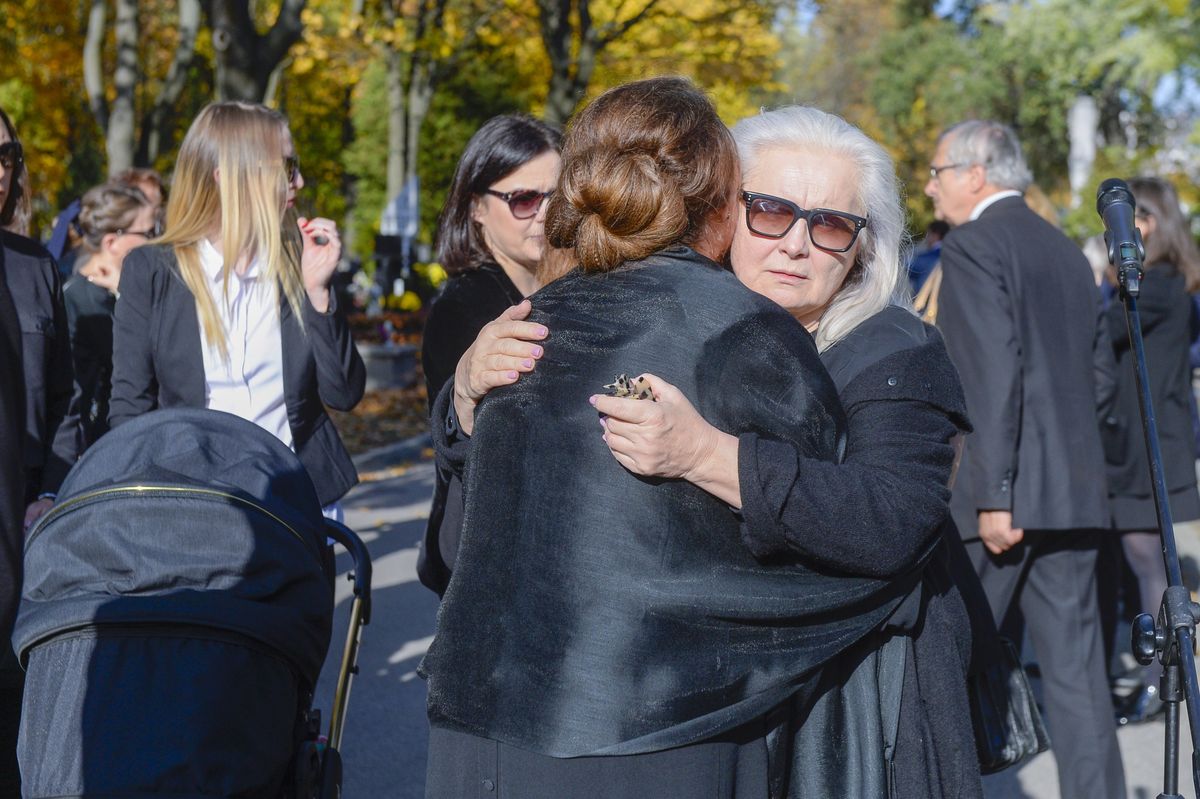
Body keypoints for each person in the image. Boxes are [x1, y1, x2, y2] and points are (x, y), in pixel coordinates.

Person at [449, 105, 986, 797]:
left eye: (829, 225)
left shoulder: (893, 352)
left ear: (863, 247)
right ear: (721, 214)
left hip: (855, 706)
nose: (796, 243)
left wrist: (707, 456)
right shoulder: (671, 329)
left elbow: (890, 518)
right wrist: (466, 396)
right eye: (769, 210)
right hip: (700, 711)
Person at [925, 119, 1125, 798]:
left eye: (936, 172)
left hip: (999, 498)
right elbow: (1099, 378)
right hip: (1072, 493)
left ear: (975, 173)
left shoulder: (975, 244)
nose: (929, 187)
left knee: (942, 667)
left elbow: (988, 378)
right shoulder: (1066, 249)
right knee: (1079, 681)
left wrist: (997, 492)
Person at [109, 101, 365, 510]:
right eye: (286, 167)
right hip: (195, 506)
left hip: (299, 504)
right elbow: (130, 407)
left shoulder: (300, 259)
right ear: (229, 177)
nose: (298, 181)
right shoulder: (152, 270)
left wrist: (318, 292)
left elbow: (344, 394)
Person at [418, 114, 561, 595]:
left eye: (556, 197)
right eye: (523, 199)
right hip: (484, 557)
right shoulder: (462, 310)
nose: (543, 213)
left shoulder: (563, 291)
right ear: (476, 207)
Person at [0, 103, 78, 799]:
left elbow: (63, 403)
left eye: (4, 155)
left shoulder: (34, 270)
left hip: (21, 538)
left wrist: (50, 494)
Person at [1101, 177, 1200, 723]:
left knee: (1148, 565)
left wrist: (1106, 277)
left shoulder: (1155, 286)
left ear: (1150, 224)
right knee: (1143, 562)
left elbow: (1102, 331)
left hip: (1146, 447)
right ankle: (1153, 678)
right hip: (1147, 440)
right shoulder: (1170, 284)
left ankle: (1157, 684)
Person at [63, 181, 157, 450]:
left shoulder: (107, 292)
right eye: (149, 232)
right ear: (112, 242)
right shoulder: (79, 299)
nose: (157, 239)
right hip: (96, 447)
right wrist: (124, 297)